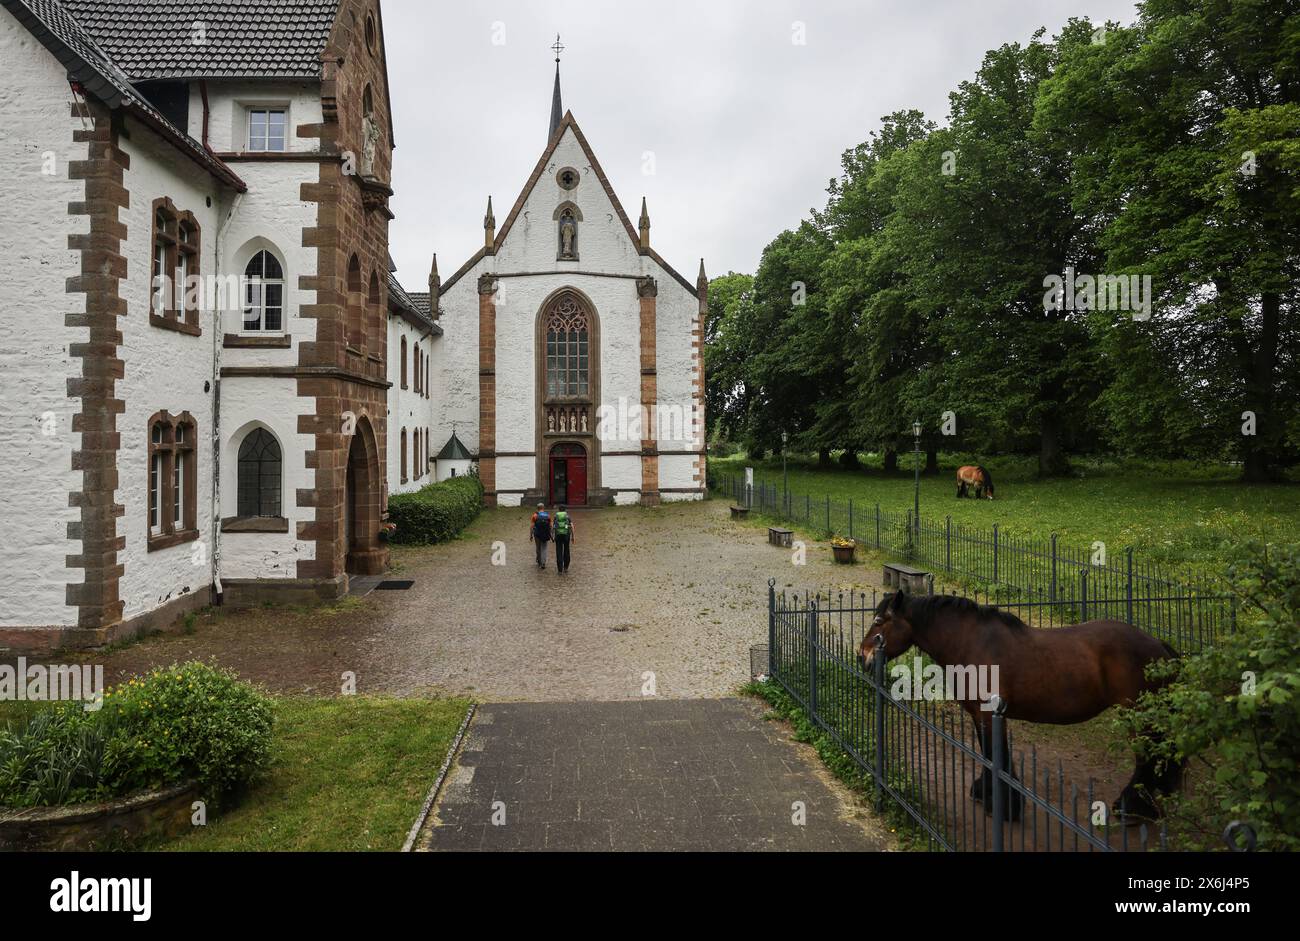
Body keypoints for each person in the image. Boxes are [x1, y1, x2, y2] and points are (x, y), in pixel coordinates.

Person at [553, 505, 574, 574]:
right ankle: (566, 568)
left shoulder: (556, 516)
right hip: (566, 535)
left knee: (559, 551)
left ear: (559, 510)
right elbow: (572, 526)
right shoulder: (567, 516)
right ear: (565, 510)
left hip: (558, 535)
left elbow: (553, 527)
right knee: (566, 550)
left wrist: (553, 536)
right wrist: (573, 536)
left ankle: (560, 570)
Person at [530, 503, 552, 569]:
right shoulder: (547, 515)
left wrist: (531, 535)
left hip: (537, 534)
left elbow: (532, 526)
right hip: (545, 533)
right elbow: (551, 526)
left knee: (538, 548)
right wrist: (550, 534)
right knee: (544, 548)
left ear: (537, 508)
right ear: (543, 508)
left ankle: (539, 562)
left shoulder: (535, 515)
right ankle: (543, 563)